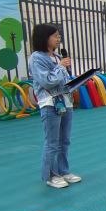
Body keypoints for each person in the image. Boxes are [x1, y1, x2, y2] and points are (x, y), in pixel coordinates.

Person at [29, 24, 81, 188]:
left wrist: (78, 81)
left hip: (66, 103)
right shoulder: (37, 58)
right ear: (44, 37)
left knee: (64, 140)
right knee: (52, 142)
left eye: (59, 36)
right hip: (50, 104)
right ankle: (51, 175)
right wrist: (60, 67)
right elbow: (47, 81)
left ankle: (63, 171)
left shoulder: (58, 57)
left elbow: (63, 82)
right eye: (55, 36)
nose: (59, 39)